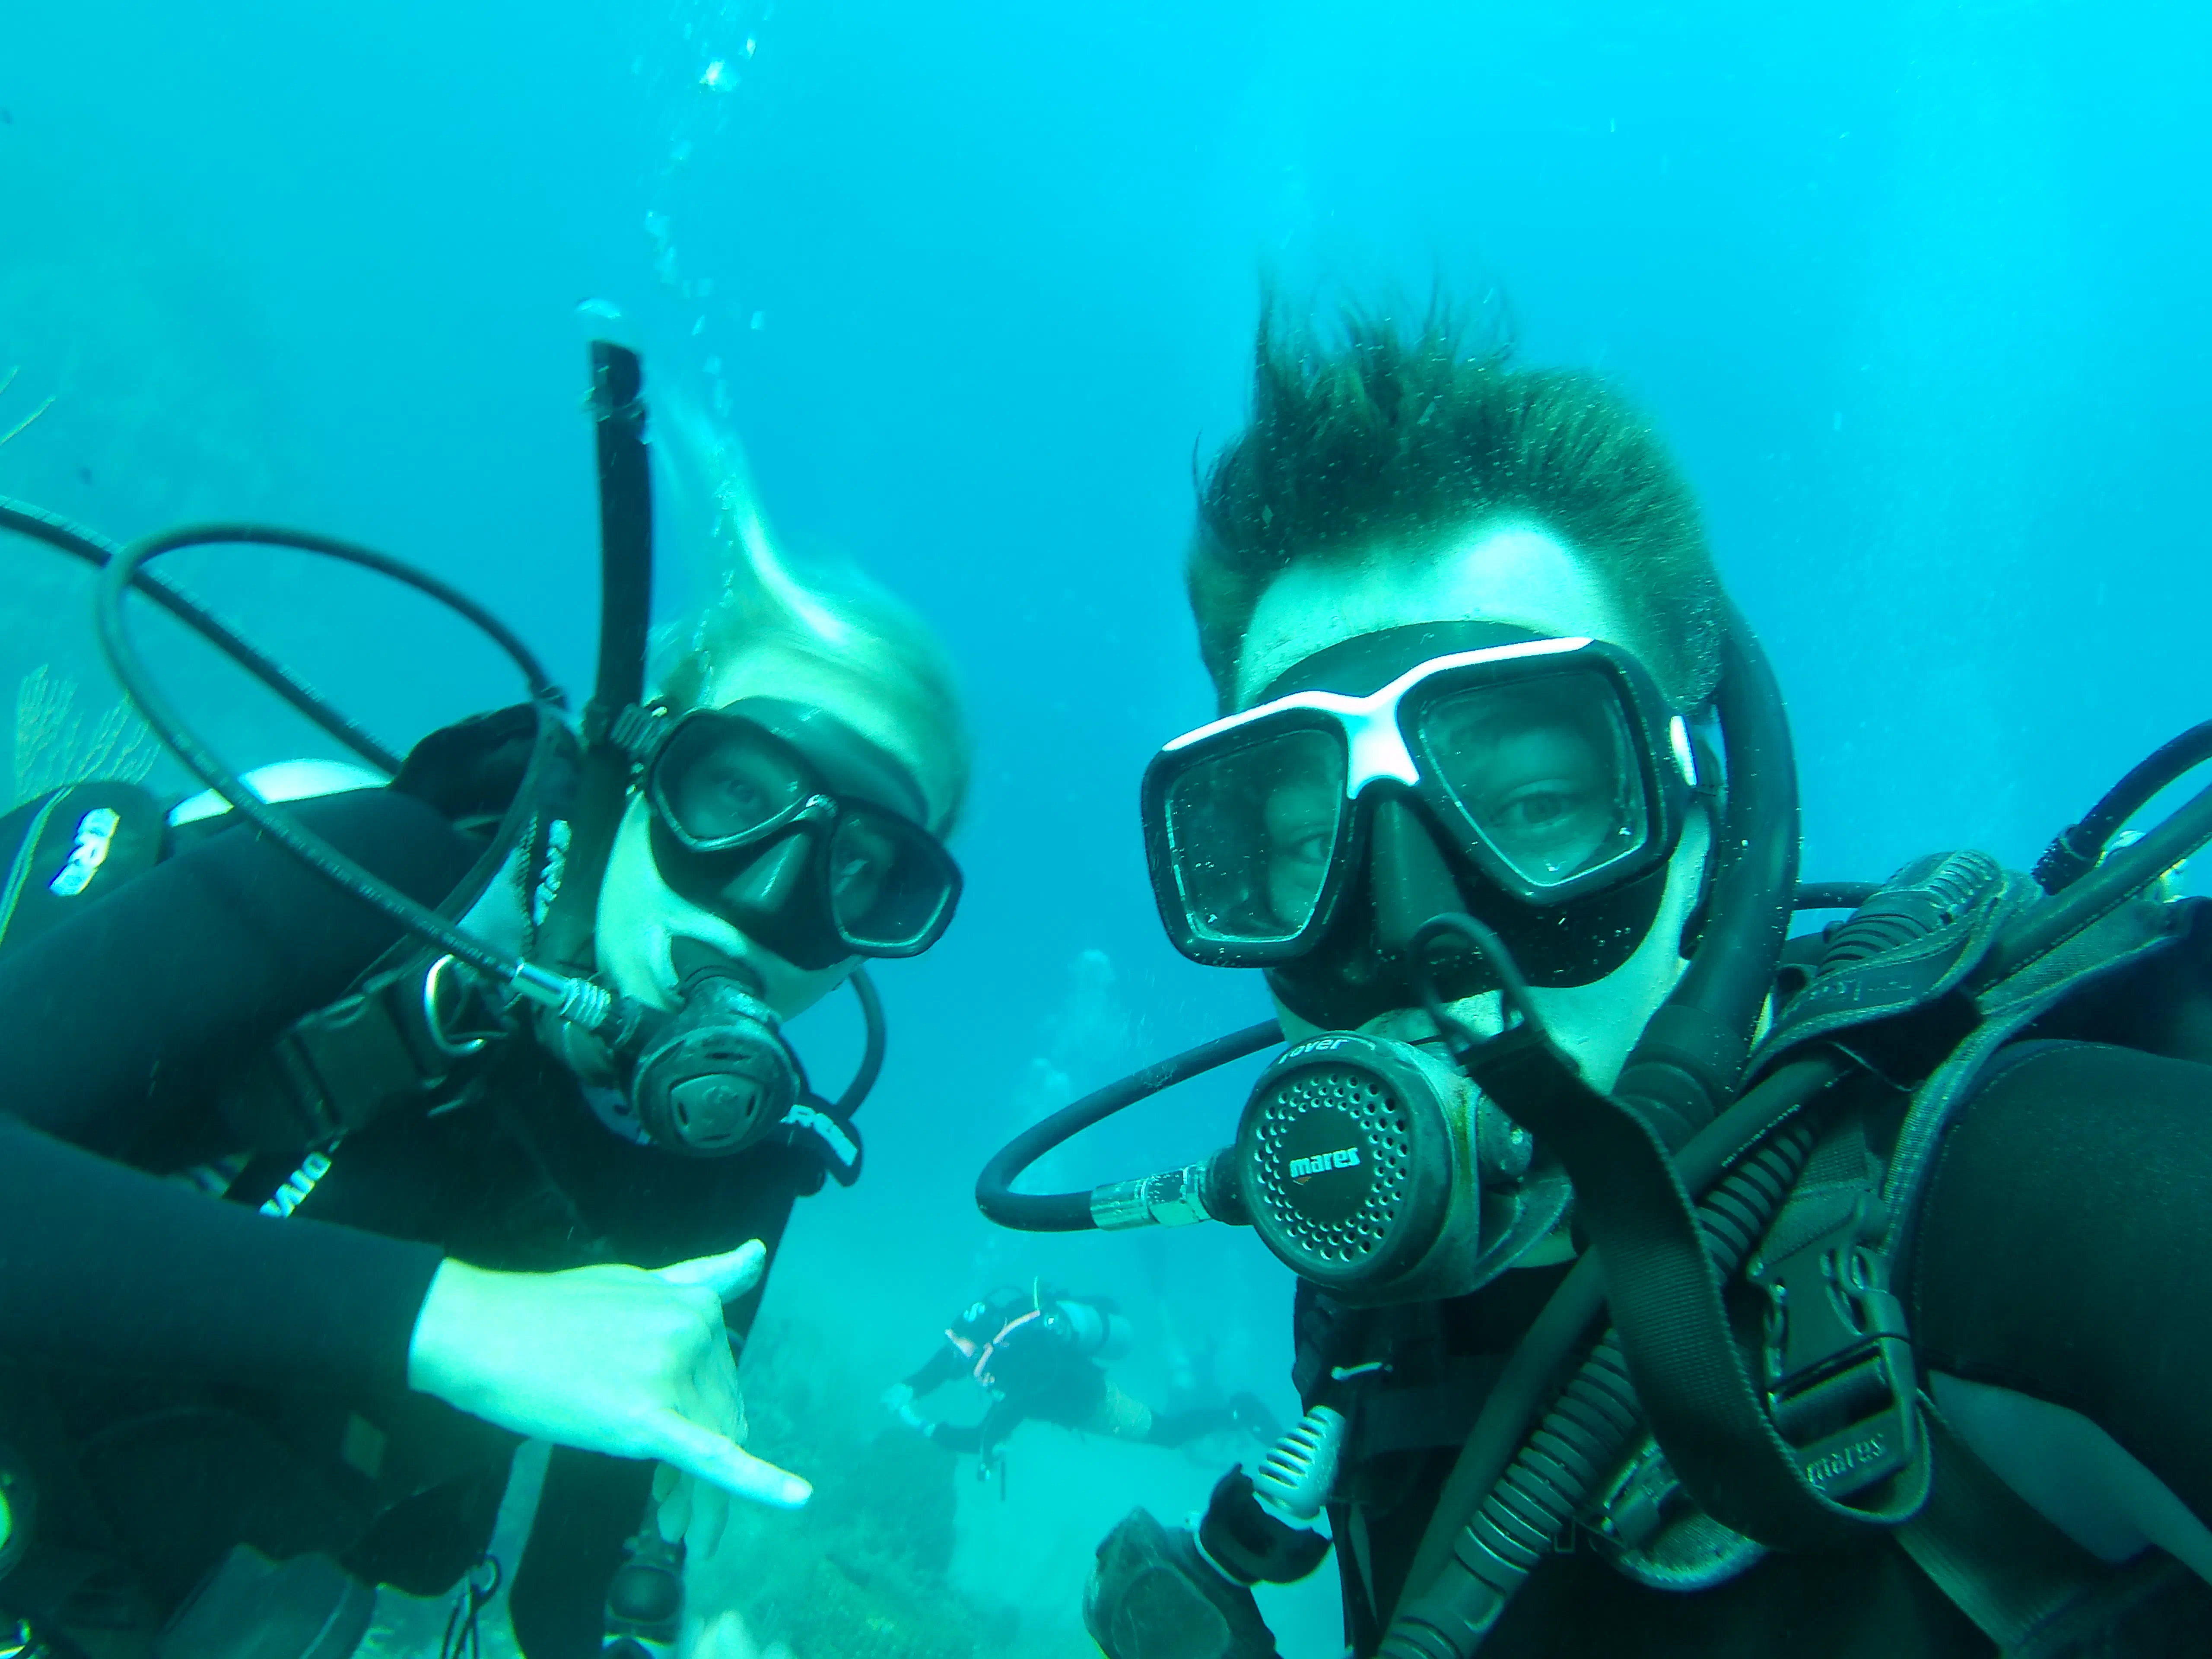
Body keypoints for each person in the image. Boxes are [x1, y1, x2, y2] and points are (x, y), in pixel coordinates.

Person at [1070, 300, 2212, 1658]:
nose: (1412, 937)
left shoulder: (2027, 1204)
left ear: (1701, 836)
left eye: (1539, 800)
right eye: (1305, 842)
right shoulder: (1377, 1314)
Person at [0, 385, 969, 1659]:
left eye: (861, 872)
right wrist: (445, 1314)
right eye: (732, 792)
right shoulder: (373, 877)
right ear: (632, 764)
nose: (763, 906)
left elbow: (571, 1589)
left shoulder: (722, 1173)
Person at [881, 1284, 1268, 1478]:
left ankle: (1236, 1412)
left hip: (1097, 1406)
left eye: (962, 1349)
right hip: (1074, 1389)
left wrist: (922, 1425)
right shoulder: (1001, 1327)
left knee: (1168, 1435)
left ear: (986, 1344)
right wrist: (910, 1386)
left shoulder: (1021, 1374)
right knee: (1168, 1432)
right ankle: (1226, 1409)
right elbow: (945, 1361)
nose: (955, 1357)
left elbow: (983, 1438)